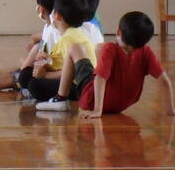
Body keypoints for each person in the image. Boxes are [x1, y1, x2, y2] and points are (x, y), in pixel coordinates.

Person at [36, 11, 175, 115]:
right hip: (122, 104)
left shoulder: (110, 49)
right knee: (96, 50)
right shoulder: (146, 52)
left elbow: (100, 79)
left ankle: (60, 98)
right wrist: (171, 110)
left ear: (118, 31)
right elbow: (165, 81)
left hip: (93, 99)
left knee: (75, 48)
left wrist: (97, 110)